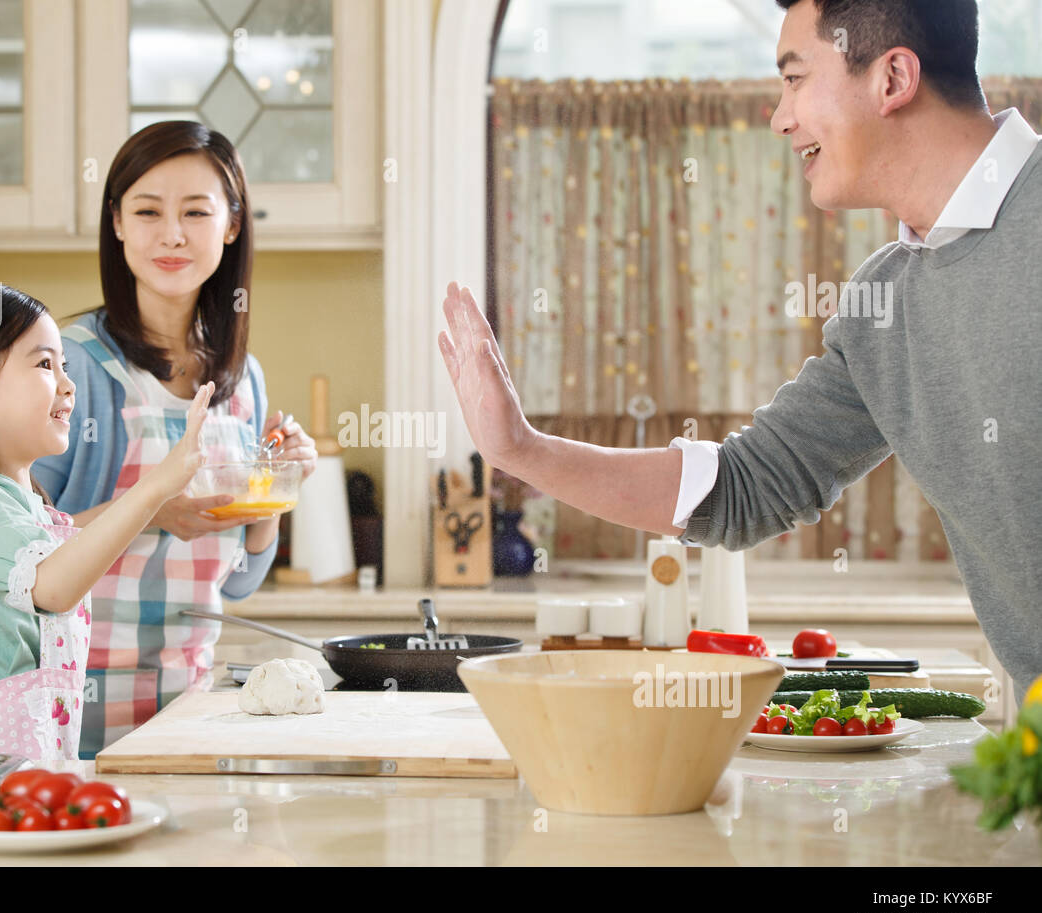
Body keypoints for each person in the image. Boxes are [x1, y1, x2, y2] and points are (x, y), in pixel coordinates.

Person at [438, 0, 1041, 701]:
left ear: (893, 78)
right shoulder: (887, 302)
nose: (781, 117)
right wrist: (521, 449)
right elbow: (744, 487)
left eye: (795, 79)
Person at [31, 121, 317, 757]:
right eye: (148, 210)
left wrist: (277, 489)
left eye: (196, 211)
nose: (172, 234)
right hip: (66, 701)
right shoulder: (68, 367)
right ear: (117, 224)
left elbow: (239, 583)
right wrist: (148, 509)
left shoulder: (242, 379)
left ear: (232, 224)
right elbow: (19, 558)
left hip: (188, 704)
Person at [0, 284, 214, 760]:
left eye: (64, 364)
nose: (68, 383)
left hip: (26, 755)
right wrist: (156, 486)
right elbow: (54, 587)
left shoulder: (21, 501)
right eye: (45, 365)